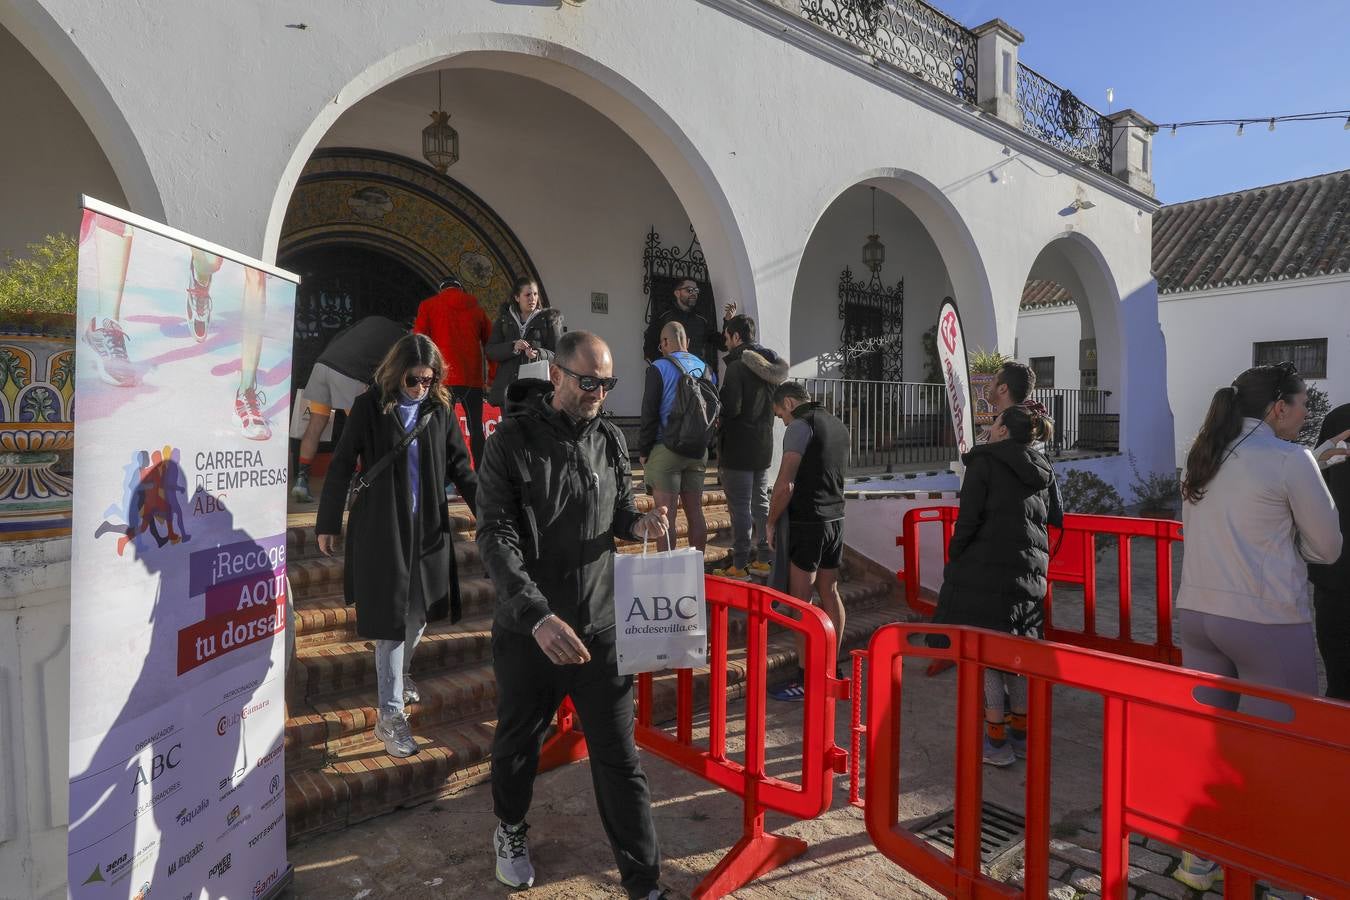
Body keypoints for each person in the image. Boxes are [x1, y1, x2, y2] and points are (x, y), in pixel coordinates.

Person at [475, 331, 670, 897]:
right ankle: (510, 828)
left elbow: (617, 514)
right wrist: (536, 615)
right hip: (531, 632)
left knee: (620, 761)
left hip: (601, 630)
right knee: (517, 748)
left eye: (608, 384)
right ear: (556, 375)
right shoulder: (510, 441)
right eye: (589, 382)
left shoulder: (610, 438)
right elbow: (496, 536)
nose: (599, 394)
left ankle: (645, 881)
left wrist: (638, 525)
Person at [1172, 363, 1341, 892]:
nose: (1305, 413)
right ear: (1277, 408)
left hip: (1199, 614)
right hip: (1265, 619)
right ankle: (1270, 869)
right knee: (1279, 749)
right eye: (1301, 403)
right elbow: (1329, 547)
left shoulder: (1206, 454)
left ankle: (1199, 859)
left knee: (1212, 744)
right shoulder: (1291, 459)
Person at [314, 334, 478, 759]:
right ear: (396, 371)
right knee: (390, 622)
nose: (421, 387)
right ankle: (390, 718)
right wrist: (328, 521)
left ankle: (401, 672)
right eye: (414, 379)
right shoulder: (371, 405)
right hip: (381, 527)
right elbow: (342, 460)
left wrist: (487, 511)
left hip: (428, 528)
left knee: (420, 615)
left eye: (429, 379)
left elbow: (460, 464)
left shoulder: (440, 408)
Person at [932, 405, 1059, 766]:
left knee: (987, 659)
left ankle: (996, 741)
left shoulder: (984, 463)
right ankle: (1021, 736)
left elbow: (969, 518)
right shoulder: (1040, 469)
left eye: (995, 421)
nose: (990, 426)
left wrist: (956, 553)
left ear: (1004, 431)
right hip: (1029, 573)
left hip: (985, 572)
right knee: (1016, 655)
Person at [765, 381, 849, 701]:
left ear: (788, 403)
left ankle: (806, 676)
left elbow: (785, 484)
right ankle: (831, 667)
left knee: (801, 602)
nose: (782, 422)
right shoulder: (838, 424)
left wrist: (771, 522)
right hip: (836, 520)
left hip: (807, 522)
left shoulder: (801, 425)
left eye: (779, 415)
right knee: (830, 592)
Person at [290, 315, 408, 502]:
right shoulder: (401, 340)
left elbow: (338, 337)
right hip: (349, 373)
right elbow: (391, 373)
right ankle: (353, 489)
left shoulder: (370, 321)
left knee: (315, 425)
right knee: (362, 433)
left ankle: (301, 482)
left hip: (322, 365)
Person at [710, 313, 788, 579]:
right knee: (760, 504)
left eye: (727, 337)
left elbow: (732, 408)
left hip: (738, 446)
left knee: (740, 508)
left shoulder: (737, 367)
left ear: (737, 337)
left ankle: (740, 564)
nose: (726, 343)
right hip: (763, 444)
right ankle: (764, 560)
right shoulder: (770, 366)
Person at [638, 321, 714, 552]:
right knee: (695, 512)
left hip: (666, 448)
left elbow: (649, 412)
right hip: (698, 450)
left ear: (664, 343)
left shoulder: (658, 367)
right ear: (687, 342)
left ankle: (667, 579)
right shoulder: (705, 368)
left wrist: (643, 451)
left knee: (665, 517)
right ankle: (697, 572)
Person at [414, 276, 492, 468]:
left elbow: (419, 341)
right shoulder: (477, 309)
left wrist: (421, 377)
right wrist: (492, 376)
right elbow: (491, 344)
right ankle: (481, 476)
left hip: (443, 378)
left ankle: (443, 478)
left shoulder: (429, 306)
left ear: (442, 289)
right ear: (461, 289)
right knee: (476, 430)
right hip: (472, 379)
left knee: (440, 429)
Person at [1306, 404, 1350, 701]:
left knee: (1340, 684)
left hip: (1337, 573)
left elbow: (1317, 491)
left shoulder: (1341, 417)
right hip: (1337, 577)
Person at [485, 276, 563, 409]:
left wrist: (539, 354)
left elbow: (559, 355)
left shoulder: (549, 321)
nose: (532, 298)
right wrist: (513, 347)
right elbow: (491, 351)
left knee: (533, 428)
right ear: (517, 297)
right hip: (508, 391)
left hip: (536, 391)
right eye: (527, 295)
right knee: (510, 428)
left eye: (535, 294)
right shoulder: (504, 321)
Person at [641, 278, 722, 366]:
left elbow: (722, 344)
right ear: (677, 293)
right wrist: (661, 369)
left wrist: (728, 321)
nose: (694, 293)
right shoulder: (663, 316)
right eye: (689, 290)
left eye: (696, 290)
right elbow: (649, 347)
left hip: (696, 373)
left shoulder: (701, 319)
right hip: (671, 373)